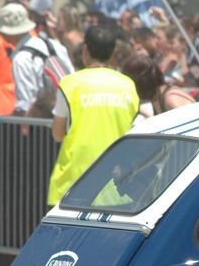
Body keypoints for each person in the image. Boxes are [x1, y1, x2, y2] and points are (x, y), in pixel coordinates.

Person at [49, 25, 138, 206]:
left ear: (86, 50)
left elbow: (57, 134)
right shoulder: (127, 85)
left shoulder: (69, 84)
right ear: (113, 53)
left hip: (73, 185)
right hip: (117, 186)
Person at [0, 3, 74, 118]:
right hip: (71, 115)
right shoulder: (55, 45)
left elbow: (25, 105)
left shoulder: (21, 59)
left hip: (44, 125)